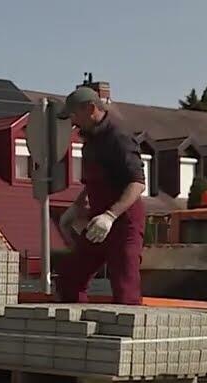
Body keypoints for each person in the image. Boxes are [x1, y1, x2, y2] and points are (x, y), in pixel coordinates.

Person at [56, 86, 148, 305]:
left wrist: (111, 215)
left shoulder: (119, 138)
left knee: (125, 290)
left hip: (123, 223)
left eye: (74, 115)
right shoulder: (90, 144)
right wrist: (76, 208)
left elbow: (137, 183)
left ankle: (125, 326)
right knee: (69, 279)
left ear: (90, 109)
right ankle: (77, 323)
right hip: (97, 224)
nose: (73, 122)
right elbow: (94, 183)